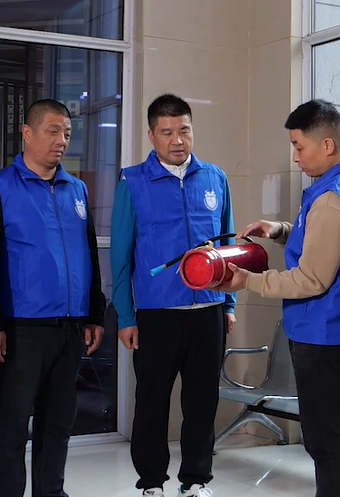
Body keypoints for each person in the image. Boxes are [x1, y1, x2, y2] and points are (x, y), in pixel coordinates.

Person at [222, 99, 340, 497]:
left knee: (324, 440)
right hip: (335, 328)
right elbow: (325, 243)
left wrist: (248, 281)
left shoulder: (331, 199)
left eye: (299, 146)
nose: (295, 157)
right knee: (325, 435)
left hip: (324, 332)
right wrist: (280, 230)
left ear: (326, 145)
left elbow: (311, 279)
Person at [111, 93, 236, 497]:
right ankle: (151, 482)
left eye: (184, 130)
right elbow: (120, 257)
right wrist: (126, 316)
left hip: (208, 311)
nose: (177, 140)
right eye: (166, 132)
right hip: (156, 313)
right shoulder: (133, 182)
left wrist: (229, 304)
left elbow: (227, 246)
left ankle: (196, 479)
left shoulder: (215, 178)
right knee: (152, 402)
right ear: (151, 135)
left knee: (202, 402)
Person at [0, 100, 107, 497]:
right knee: (13, 425)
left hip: (69, 327)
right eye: (53, 131)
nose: (61, 141)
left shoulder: (77, 189)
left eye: (67, 133)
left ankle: (51, 492)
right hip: (21, 329)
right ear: (27, 133)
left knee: (58, 423)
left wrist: (94, 314)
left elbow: (88, 253)